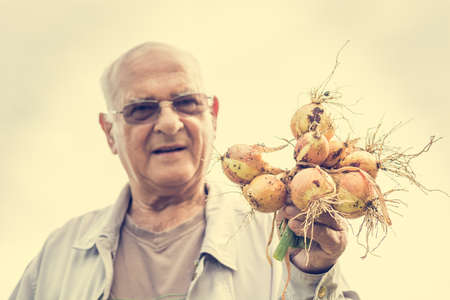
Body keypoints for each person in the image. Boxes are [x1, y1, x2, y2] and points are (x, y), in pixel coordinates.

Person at [10, 42, 359, 300]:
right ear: (109, 132)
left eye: (186, 103)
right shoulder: (59, 255)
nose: (169, 123)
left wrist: (312, 277)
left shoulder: (287, 236)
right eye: (141, 109)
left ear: (213, 115)